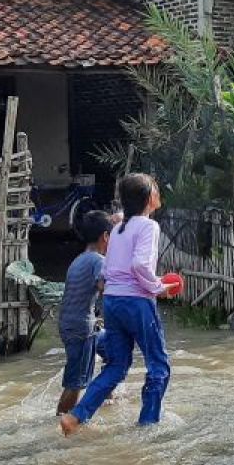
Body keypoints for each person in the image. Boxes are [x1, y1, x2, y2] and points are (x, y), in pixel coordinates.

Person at [60, 174, 178, 436]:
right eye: (156, 190)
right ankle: (147, 426)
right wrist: (158, 287)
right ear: (149, 199)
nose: (159, 193)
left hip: (112, 301)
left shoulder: (118, 227)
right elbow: (138, 265)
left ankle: (76, 416)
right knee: (159, 365)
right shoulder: (149, 227)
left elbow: (120, 220)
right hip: (136, 301)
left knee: (117, 366)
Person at [55, 210, 113, 416]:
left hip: (72, 324)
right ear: (105, 237)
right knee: (76, 382)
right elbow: (105, 286)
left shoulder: (78, 260)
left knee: (114, 351)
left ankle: (106, 398)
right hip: (82, 327)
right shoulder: (99, 260)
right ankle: (62, 422)